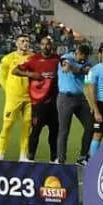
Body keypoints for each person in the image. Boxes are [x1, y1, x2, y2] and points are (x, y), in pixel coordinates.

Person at [17, 35, 61, 163]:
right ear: (40, 45)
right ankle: (30, 157)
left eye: (47, 44)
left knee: (54, 133)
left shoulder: (57, 59)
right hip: (38, 103)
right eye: (43, 44)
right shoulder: (33, 59)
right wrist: (30, 74)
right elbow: (16, 70)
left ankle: (54, 159)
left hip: (54, 103)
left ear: (51, 46)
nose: (45, 46)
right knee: (35, 131)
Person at [54, 44, 94, 165]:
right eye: (81, 57)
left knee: (90, 126)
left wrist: (75, 68)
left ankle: (82, 157)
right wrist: (74, 67)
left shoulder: (87, 62)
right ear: (77, 52)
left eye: (84, 58)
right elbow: (65, 66)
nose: (83, 60)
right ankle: (61, 159)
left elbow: (84, 69)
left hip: (80, 98)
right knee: (64, 130)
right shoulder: (66, 57)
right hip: (65, 97)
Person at [0, 35, 32, 160]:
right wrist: (10, 90)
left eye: (27, 41)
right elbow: (1, 77)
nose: (25, 43)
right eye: (22, 41)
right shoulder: (8, 59)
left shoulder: (32, 58)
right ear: (16, 43)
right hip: (14, 98)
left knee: (27, 125)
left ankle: (23, 155)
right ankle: (0, 154)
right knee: (7, 125)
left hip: (29, 98)